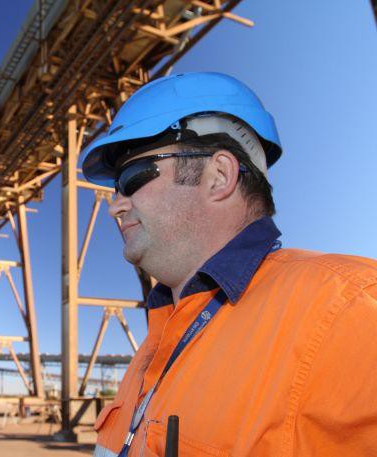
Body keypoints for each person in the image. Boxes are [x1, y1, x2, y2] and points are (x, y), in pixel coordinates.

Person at [81, 72, 377, 456]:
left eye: (132, 177)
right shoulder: (160, 337)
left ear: (219, 176)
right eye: (114, 189)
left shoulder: (351, 311)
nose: (115, 206)